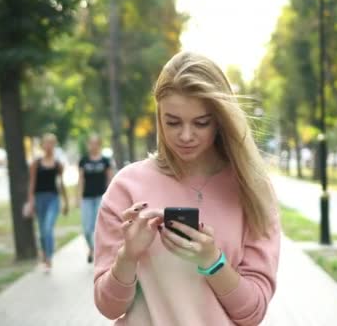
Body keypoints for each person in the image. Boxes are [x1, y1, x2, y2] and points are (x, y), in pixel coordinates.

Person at [93, 52, 281, 325]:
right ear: (159, 116)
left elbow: (252, 314)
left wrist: (212, 260)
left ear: (219, 119)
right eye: (173, 122)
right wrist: (128, 255)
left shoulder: (252, 190)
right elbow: (108, 307)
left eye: (201, 123)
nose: (186, 136)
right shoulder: (126, 188)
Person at [27, 133, 69, 271]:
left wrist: (66, 202)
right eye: (47, 143)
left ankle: (49, 257)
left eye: (52, 143)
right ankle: (45, 254)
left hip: (53, 199)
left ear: (54, 145)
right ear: (43, 145)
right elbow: (32, 184)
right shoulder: (36, 163)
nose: (49, 146)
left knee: (47, 228)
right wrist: (30, 202)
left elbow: (61, 183)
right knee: (41, 231)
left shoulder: (58, 164)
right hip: (39, 199)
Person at [78, 134, 113, 263]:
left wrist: (111, 197)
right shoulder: (83, 160)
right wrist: (78, 197)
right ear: (88, 145)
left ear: (99, 144)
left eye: (95, 143)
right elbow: (81, 179)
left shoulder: (105, 160)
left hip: (101, 197)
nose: (93, 146)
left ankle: (98, 252)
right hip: (87, 198)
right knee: (87, 229)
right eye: (90, 143)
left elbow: (110, 180)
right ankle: (92, 248)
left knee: (99, 226)